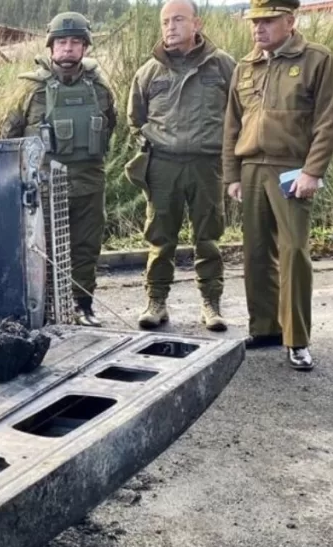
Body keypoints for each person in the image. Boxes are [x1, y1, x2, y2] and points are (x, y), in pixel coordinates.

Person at [222, 0, 333, 371]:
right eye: (254, 21)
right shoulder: (246, 65)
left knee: (293, 252)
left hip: (292, 170)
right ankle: (265, 328)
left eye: (268, 21)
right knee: (256, 253)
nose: (258, 28)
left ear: (290, 21)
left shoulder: (316, 60)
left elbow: (329, 122)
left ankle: (297, 339)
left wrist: (313, 170)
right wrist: (232, 175)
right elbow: (231, 125)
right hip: (253, 168)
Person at [1, 11, 119, 327]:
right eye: (62, 42)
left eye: (75, 42)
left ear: (85, 48)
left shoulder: (100, 89)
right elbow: (8, 140)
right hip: (43, 187)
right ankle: (45, 311)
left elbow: (110, 128)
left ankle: (83, 306)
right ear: (51, 46)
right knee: (42, 251)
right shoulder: (29, 90)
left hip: (89, 184)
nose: (68, 48)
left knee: (86, 248)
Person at [126, 0, 236, 332]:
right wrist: (152, 147)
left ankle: (211, 303)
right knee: (160, 239)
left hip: (207, 165)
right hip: (163, 167)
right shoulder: (148, 72)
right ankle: (156, 302)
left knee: (209, 238)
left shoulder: (223, 67)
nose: (170, 27)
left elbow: (239, 114)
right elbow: (136, 120)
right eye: (165, 22)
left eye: (178, 19)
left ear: (197, 24)